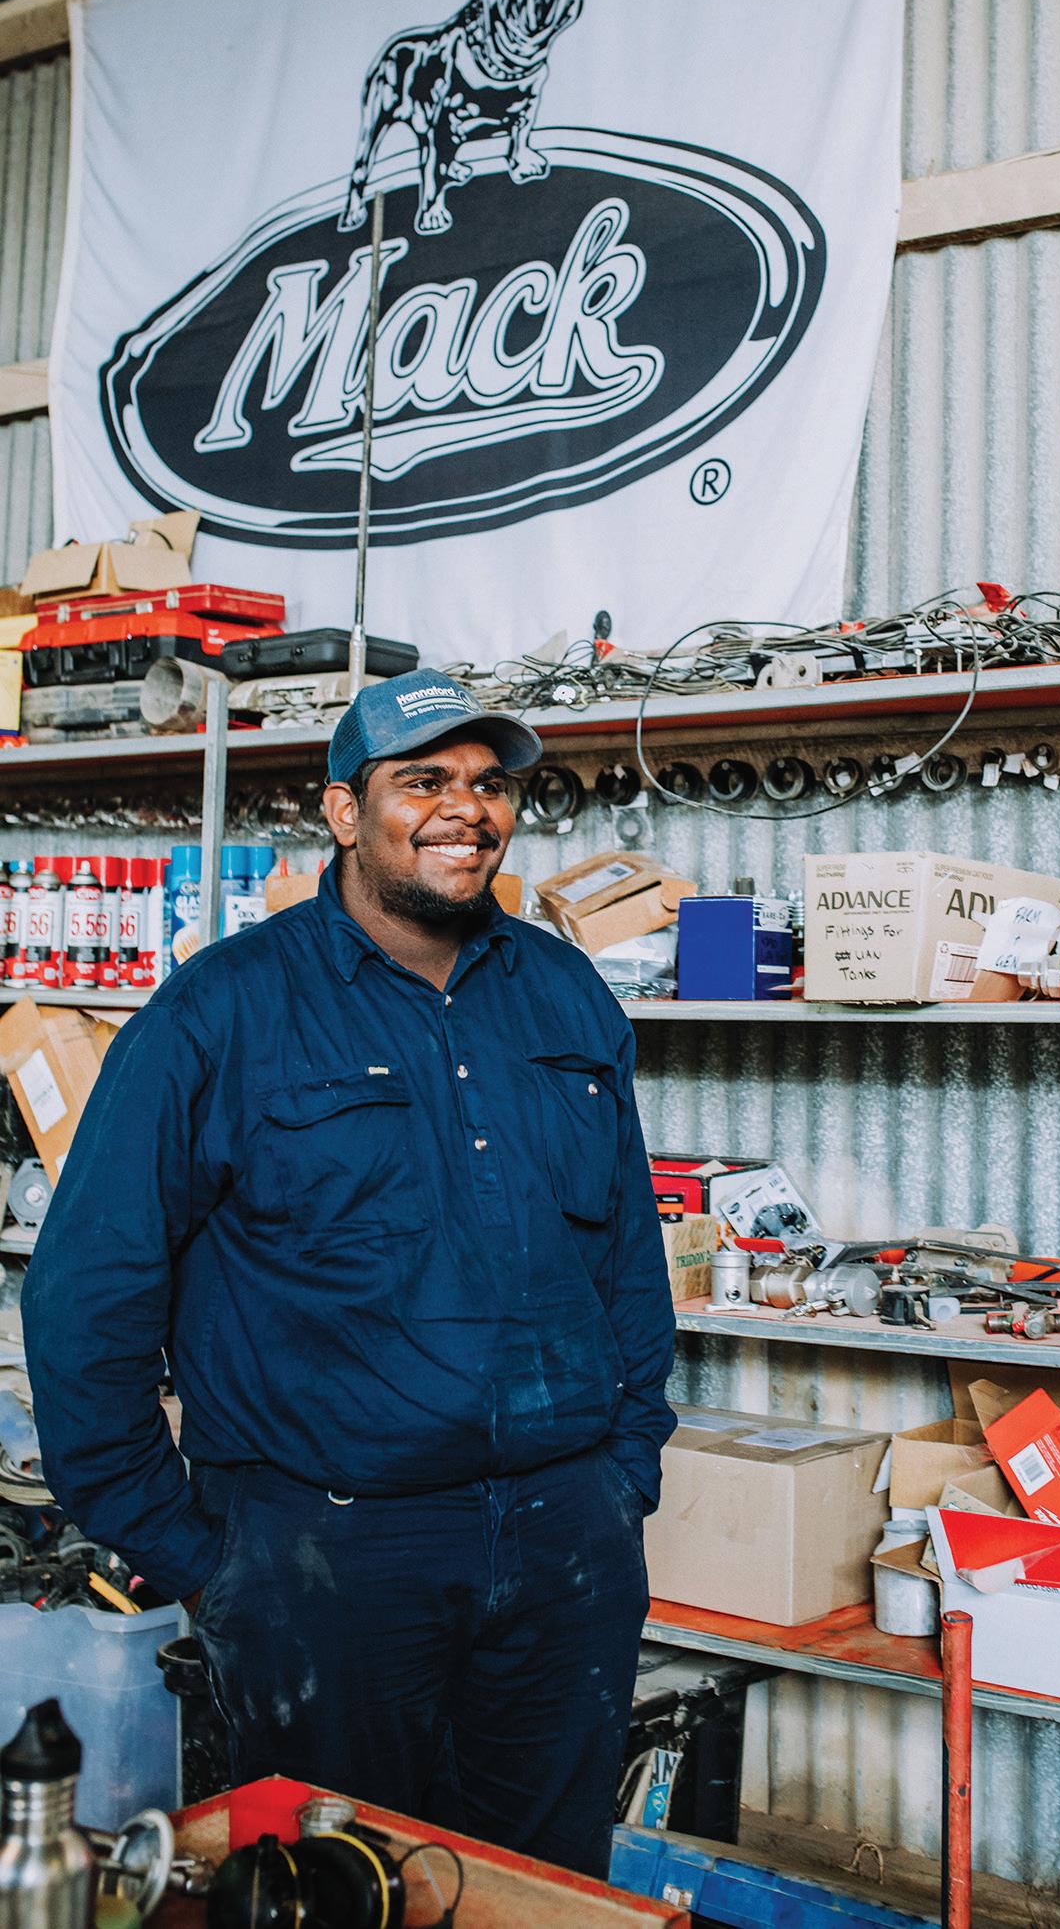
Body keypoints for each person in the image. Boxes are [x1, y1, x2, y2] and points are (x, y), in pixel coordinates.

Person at [23, 670, 676, 1877]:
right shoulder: (221, 1010)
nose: (465, 808)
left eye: (489, 783)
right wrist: (190, 1548)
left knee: (542, 1886)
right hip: (325, 1558)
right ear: (341, 810)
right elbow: (85, 1294)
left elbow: (627, 1258)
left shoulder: (565, 992)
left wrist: (624, 1470)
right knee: (337, 1887)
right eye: (422, 779)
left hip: (566, 1546)